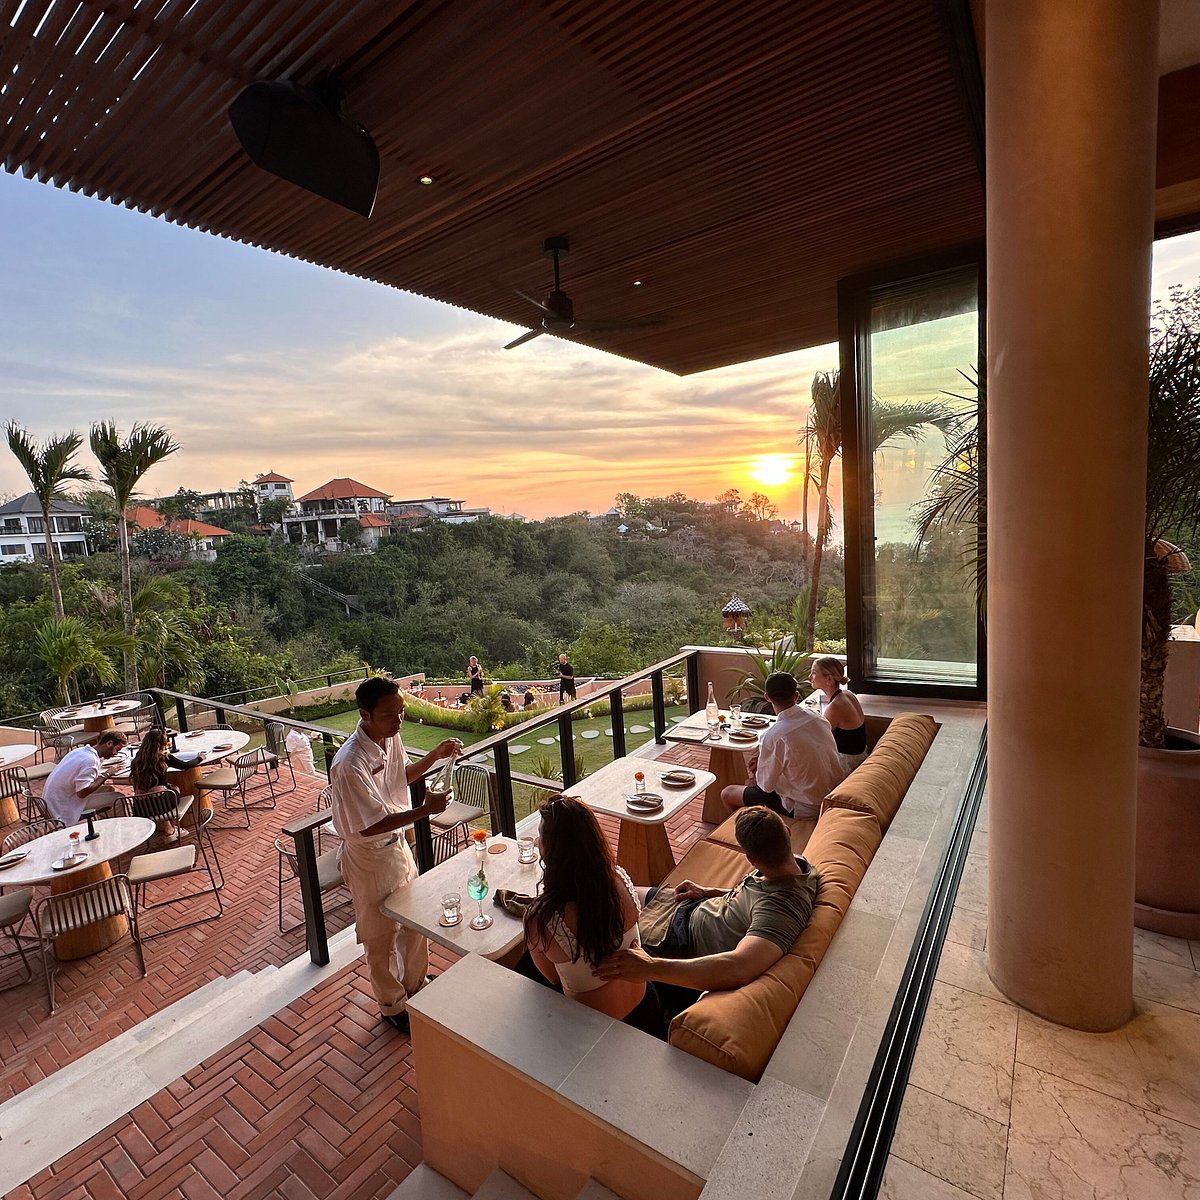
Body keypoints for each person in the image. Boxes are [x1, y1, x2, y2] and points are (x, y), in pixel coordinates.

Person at [330, 677, 463, 1034]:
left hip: (397, 846)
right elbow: (367, 826)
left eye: (401, 712)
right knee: (379, 936)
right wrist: (425, 810)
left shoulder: (390, 736)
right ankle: (392, 1005)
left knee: (414, 921)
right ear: (365, 715)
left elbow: (400, 777)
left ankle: (416, 985)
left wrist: (435, 755)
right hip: (369, 857)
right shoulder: (348, 765)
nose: (399, 720)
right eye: (390, 714)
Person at [596, 806, 820, 1018]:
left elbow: (739, 967)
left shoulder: (780, 909)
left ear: (750, 858)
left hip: (681, 941)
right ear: (788, 834)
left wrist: (650, 967)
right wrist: (708, 892)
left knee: (601, 932)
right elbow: (752, 899)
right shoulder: (798, 864)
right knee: (621, 891)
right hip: (692, 908)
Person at [523, 796, 664, 1035]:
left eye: (541, 837)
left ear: (551, 850)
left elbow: (552, 979)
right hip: (648, 1010)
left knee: (526, 970)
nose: (537, 842)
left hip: (596, 1034)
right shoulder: (618, 879)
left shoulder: (541, 917)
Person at [721, 671, 844, 820]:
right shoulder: (819, 718)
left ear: (767, 697)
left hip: (806, 808)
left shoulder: (774, 736)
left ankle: (747, 831)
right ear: (796, 695)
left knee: (728, 793)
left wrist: (760, 768)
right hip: (833, 795)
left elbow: (765, 787)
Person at [42, 729, 128, 825]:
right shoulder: (90, 760)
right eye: (117, 749)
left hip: (52, 801)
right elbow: (82, 793)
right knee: (118, 798)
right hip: (63, 808)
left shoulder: (81, 751)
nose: (116, 753)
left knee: (109, 789)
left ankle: (106, 824)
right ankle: (122, 828)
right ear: (109, 743)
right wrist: (107, 774)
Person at [808, 656, 868, 773]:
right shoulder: (848, 694)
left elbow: (818, 739)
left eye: (814, 673)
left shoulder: (836, 706)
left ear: (829, 679)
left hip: (848, 765)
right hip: (861, 756)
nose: (810, 677)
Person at [128, 727, 179, 839]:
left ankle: (167, 827)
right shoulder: (163, 758)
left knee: (160, 791)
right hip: (161, 806)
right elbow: (186, 765)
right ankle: (172, 828)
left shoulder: (136, 761)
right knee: (174, 789)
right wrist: (200, 757)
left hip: (141, 809)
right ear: (161, 744)